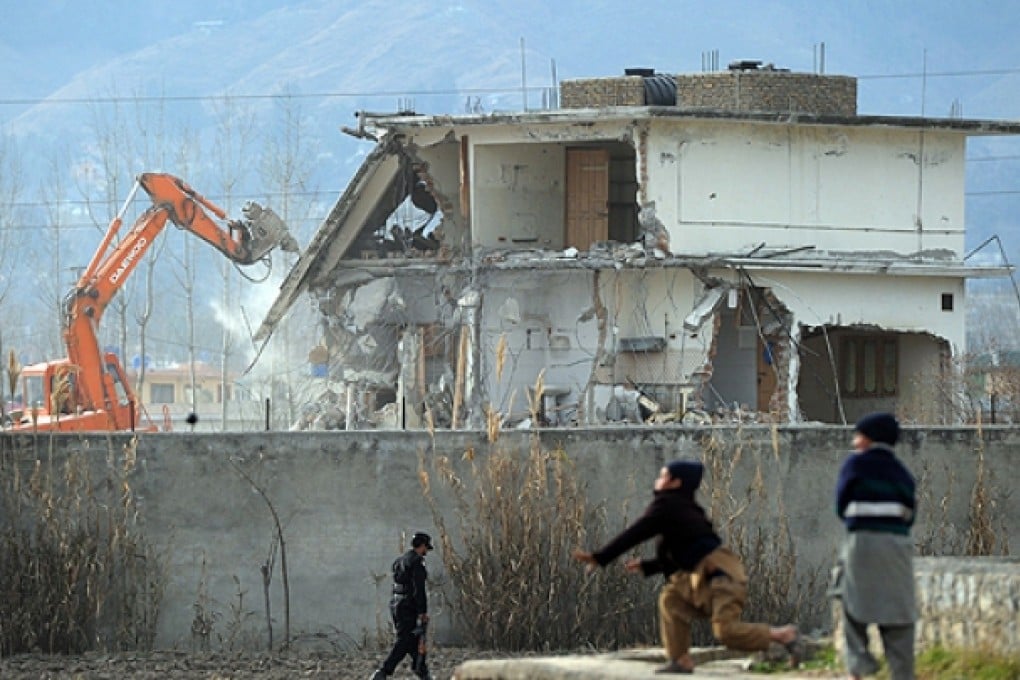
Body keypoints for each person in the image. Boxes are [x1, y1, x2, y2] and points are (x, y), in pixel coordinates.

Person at [573, 459, 802, 674]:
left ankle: (783, 635)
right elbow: (686, 553)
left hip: (719, 575)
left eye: (663, 476)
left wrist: (601, 557)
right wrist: (649, 566)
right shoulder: (683, 508)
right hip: (702, 573)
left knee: (725, 631)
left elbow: (637, 532)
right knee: (671, 600)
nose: (658, 480)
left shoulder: (668, 505)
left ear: (675, 482)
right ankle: (680, 659)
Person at [833, 413, 916, 680]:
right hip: (897, 548)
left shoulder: (855, 466)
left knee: (852, 605)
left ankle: (859, 667)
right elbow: (910, 513)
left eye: (857, 436)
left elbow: (841, 505)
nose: (854, 441)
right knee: (899, 613)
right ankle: (902, 672)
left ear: (867, 439)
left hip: (862, 543)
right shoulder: (902, 473)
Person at [370, 532, 434, 680]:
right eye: (426, 548)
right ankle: (384, 671)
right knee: (406, 639)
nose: (426, 552)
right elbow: (419, 588)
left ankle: (422, 671)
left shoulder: (401, 560)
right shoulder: (417, 562)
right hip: (408, 605)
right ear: (422, 546)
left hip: (396, 603)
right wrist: (422, 611)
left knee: (413, 638)